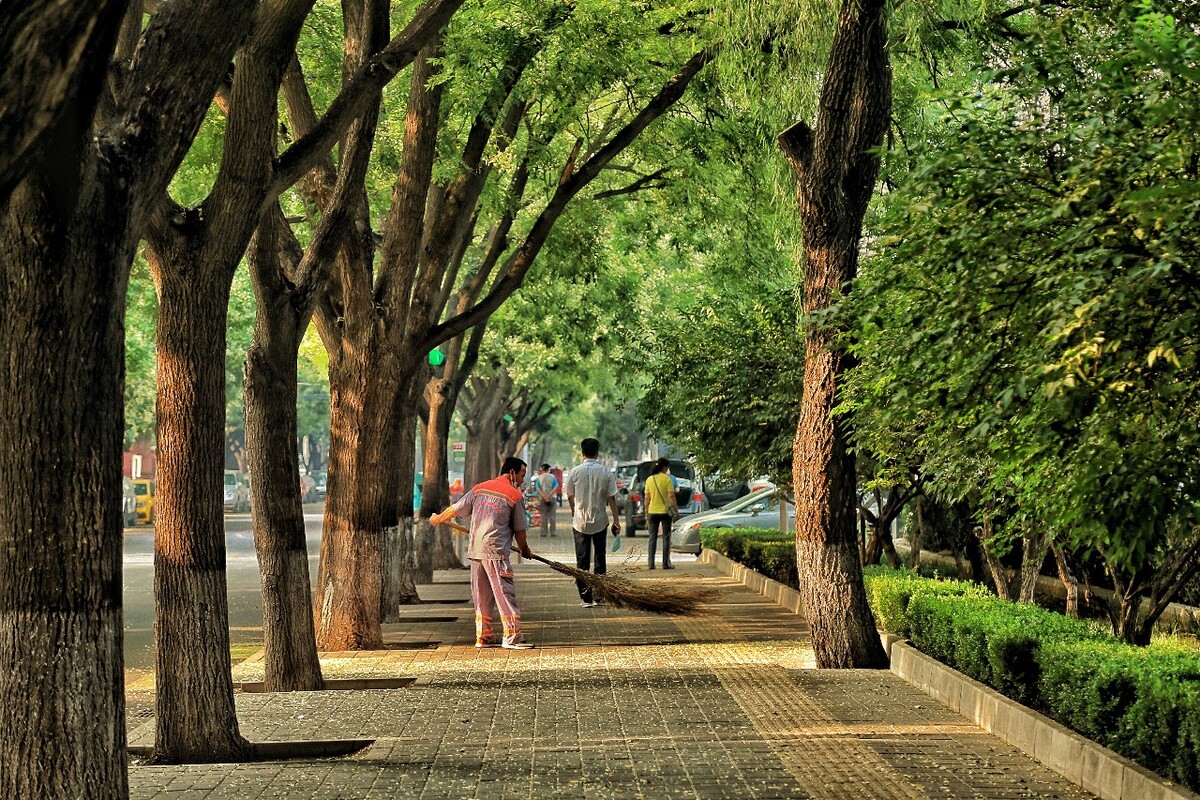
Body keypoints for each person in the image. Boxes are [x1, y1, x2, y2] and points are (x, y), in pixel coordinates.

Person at [431, 457, 535, 649]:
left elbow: (456, 508)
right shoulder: (514, 495)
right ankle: (512, 637)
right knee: (504, 593)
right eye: (521, 475)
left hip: (476, 550)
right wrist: (525, 550)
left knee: (482, 595)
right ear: (512, 473)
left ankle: (484, 637)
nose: (522, 480)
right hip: (495, 552)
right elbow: (520, 530)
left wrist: (438, 518)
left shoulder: (480, 488)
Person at [563, 438, 620, 607]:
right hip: (601, 521)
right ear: (597, 452)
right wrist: (616, 520)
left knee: (582, 560)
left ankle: (586, 598)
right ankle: (599, 596)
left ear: (582, 453)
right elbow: (612, 498)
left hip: (580, 522)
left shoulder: (575, 472)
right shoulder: (606, 472)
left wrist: (574, 509)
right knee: (600, 559)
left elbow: (570, 495)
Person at [643, 456, 678, 569]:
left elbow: (647, 498)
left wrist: (646, 511)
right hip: (665, 512)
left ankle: (651, 563)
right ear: (664, 467)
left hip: (652, 511)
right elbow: (671, 496)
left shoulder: (649, 479)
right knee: (666, 537)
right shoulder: (667, 479)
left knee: (652, 537)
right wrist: (676, 510)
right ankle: (665, 563)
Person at [533, 463, 559, 537]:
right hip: (552, 498)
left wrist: (544, 496)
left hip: (542, 499)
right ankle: (553, 532)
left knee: (544, 516)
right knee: (552, 516)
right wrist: (548, 496)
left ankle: (543, 532)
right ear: (548, 469)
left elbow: (538, 488)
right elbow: (555, 487)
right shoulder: (553, 477)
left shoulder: (539, 478)